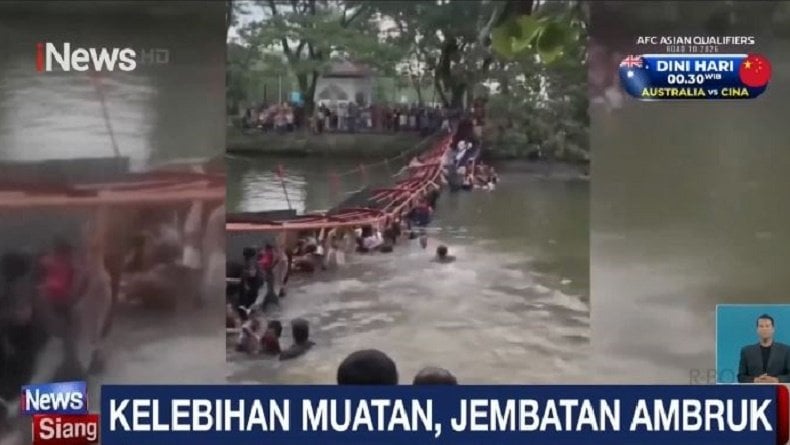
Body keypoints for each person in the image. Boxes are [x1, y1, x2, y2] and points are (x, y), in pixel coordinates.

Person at [737, 314, 790, 383]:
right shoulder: (746, 351)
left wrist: (776, 380)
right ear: (757, 329)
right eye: (761, 326)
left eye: (767, 326)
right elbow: (741, 377)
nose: (764, 329)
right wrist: (756, 380)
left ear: (773, 329)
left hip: (778, 392)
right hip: (755, 392)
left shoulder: (786, 350)